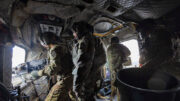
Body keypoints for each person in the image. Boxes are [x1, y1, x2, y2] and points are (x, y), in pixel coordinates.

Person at [31, 32, 75, 101]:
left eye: (41, 42)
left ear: (44, 42)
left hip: (66, 78)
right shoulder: (62, 46)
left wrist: (38, 73)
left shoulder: (54, 50)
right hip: (71, 76)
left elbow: (54, 69)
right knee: (73, 96)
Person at [71, 21, 106, 101]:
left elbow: (83, 64)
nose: (73, 35)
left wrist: (76, 86)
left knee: (85, 98)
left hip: (86, 80)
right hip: (95, 77)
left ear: (79, 31)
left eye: (74, 32)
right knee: (91, 97)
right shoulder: (97, 40)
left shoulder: (86, 40)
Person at [107, 37, 130, 101]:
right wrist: (123, 56)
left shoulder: (108, 48)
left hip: (112, 69)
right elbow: (129, 52)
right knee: (120, 88)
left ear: (111, 42)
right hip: (119, 69)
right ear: (118, 41)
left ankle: (111, 99)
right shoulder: (120, 47)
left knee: (113, 85)